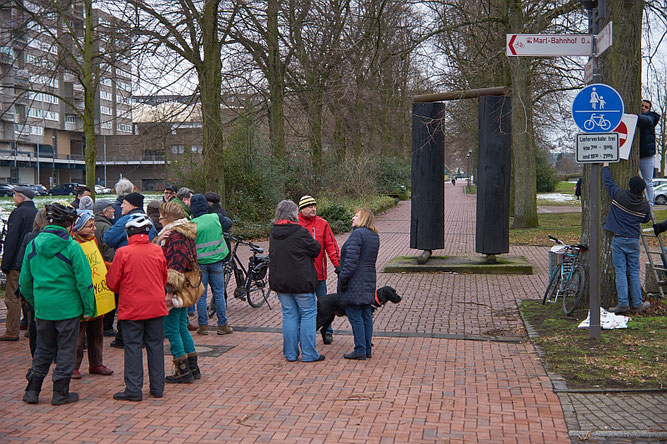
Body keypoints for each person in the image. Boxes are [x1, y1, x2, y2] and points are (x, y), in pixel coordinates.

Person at [20, 202, 96, 405]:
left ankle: (32, 390)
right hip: (67, 308)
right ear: (70, 224)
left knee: (43, 348)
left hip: (43, 308)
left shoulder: (33, 244)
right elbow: (84, 282)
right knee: (66, 349)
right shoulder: (72, 247)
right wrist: (89, 308)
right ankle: (60, 392)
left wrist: (36, 301)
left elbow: (24, 282)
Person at [106, 214, 168, 401]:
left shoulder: (123, 253)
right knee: (155, 346)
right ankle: (157, 388)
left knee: (132, 347)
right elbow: (164, 277)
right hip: (155, 306)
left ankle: (133, 389)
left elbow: (112, 283)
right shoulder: (157, 251)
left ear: (129, 232)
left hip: (132, 308)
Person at [269, 200, 323, 363]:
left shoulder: (273, 232)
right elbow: (316, 249)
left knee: (289, 315)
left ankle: (291, 354)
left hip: (281, 281)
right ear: (294, 214)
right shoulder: (300, 231)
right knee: (308, 315)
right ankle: (308, 353)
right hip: (301, 281)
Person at [155, 201, 200, 383]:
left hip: (175, 289)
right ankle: (192, 366)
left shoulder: (174, 236)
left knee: (172, 328)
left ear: (169, 219)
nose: (159, 221)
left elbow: (173, 267)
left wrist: (169, 292)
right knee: (181, 326)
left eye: (161, 217)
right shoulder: (186, 233)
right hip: (186, 286)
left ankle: (182, 370)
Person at [69, 210, 114, 379]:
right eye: (90, 225)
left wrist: (110, 266)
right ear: (79, 228)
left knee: (97, 332)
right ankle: (74, 366)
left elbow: (98, 261)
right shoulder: (73, 244)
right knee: (79, 335)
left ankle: (96, 363)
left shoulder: (92, 240)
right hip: (81, 294)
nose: (94, 228)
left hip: (98, 292)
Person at [602, 162, 651, 314]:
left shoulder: (619, 196)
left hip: (619, 239)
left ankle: (623, 303)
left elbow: (608, 182)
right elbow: (646, 219)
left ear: (630, 187)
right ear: (642, 191)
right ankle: (637, 304)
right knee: (634, 273)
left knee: (621, 272)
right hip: (633, 241)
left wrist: (605, 166)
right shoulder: (644, 205)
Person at [338, 208, 380, 360]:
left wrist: (342, 277)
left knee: (355, 316)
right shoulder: (374, 235)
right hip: (368, 279)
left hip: (355, 281)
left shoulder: (357, 234)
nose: (352, 217)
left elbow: (351, 261)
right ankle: (367, 348)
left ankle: (360, 349)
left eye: (356, 216)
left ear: (363, 219)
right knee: (365, 315)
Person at [297, 195, 340, 344]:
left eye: (314, 205)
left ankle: (327, 331)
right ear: (301, 209)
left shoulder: (323, 223)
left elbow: (331, 245)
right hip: (301, 275)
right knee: (302, 305)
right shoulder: (295, 224)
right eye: (309, 206)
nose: (313, 208)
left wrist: (338, 265)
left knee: (326, 305)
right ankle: (302, 333)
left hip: (319, 274)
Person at [189, 194, 233, 335]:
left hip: (200, 264)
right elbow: (229, 224)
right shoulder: (215, 217)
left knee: (201, 295)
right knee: (218, 293)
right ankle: (223, 325)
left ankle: (203, 326)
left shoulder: (191, 223)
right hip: (217, 261)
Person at [1, 186, 38, 341]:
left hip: (17, 261)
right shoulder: (36, 212)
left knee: (12, 297)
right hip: (31, 261)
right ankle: (32, 329)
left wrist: (6, 263)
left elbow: (11, 239)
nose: (13, 198)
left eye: (15, 196)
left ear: (22, 198)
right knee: (29, 297)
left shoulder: (17, 213)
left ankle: (12, 330)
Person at [16, 208, 48, 357]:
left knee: (34, 319)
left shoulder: (30, 237)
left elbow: (21, 261)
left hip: (34, 283)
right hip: (49, 282)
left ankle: (36, 351)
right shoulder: (60, 239)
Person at [94, 199, 117, 337]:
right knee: (108, 297)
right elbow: (109, 251)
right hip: (106, 267)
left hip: (96, 268)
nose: (114, 211)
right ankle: (107, 327)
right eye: (111, 209)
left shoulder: (93, 225)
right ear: (104, 212)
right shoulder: (106, 228)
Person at [638, 100, 661, 205]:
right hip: (635, 154)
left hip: (646, 155)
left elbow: (647, 120)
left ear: (649, 109)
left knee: (647, 181)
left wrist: (636, 117)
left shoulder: (651, 117)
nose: (643, 108)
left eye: (646, 107)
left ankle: (650, 203)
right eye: (641, 106)